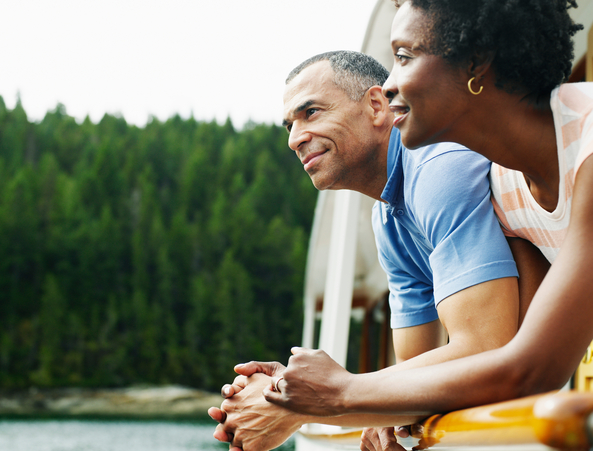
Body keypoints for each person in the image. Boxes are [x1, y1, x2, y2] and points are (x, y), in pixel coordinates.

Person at [212, 1, 593, 451]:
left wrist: (324, 398)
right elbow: (444, 369)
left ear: (475, 64)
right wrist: (329, 399)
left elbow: (520, 366)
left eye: (404, 57)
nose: (389, 84)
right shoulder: (502, 184)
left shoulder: (471, 165)